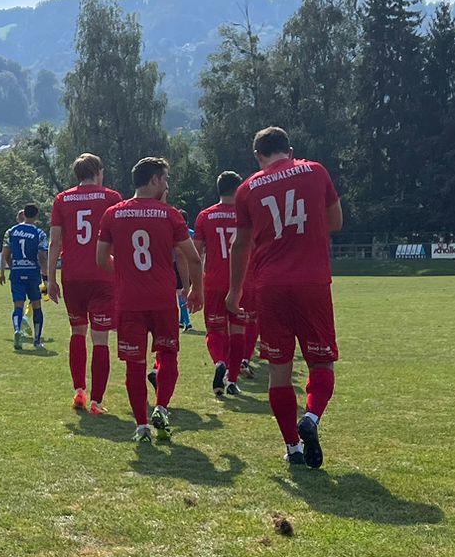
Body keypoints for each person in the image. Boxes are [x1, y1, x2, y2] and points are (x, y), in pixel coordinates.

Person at [225, 126, 344, 468]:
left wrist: (234, 291)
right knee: (320, 362)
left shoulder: (247, 188)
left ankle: (292, 447)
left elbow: (240, 245)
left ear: (258, 156)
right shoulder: (315, 171)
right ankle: (312, 418)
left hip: (270, 285)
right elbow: (336, 221)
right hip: (312, 281)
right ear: (290, 151)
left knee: (279, 369)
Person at [99, 157, 202, 446]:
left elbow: (101, 258)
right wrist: (196, 290)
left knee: (134, 363)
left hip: (129, 300)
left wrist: (124, 273)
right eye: (165, 179)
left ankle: (142, 425)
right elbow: (193, 258)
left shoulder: (113, 214)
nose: (167, 185)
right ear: (154, 180)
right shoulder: (170, 215)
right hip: (162, 300)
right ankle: (161, 408)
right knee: (168, 355)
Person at [47, 154, 118, 414]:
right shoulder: (111, 197)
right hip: (102, 275)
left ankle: (79, 390)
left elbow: (55, 242)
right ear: (98, 172)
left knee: (77, 332)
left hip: (72, 276)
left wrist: (51, 278)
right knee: (100, 338)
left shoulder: (62, 199)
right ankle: (97, 402)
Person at [192, 172, 256, 398]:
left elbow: (196, 253)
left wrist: (194, 284)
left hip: (214, 282)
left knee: (214, 330)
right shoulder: (247, 215)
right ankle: (232, 380)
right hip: (242, 281)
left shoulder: (205, 216)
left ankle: (220, 362)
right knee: (238, 331)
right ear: (238, 190)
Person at [1, 203, 47, 347]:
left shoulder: (11, 231)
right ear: (37, 216)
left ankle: (17, 330)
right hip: (33, 273)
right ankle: (37, 340)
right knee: (37, 306)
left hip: (17, 272)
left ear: (24, 214)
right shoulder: (40, 233)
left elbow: (5, 254)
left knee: (18, 306)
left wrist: (9, 268)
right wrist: (46, 277)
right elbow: (42, 256)